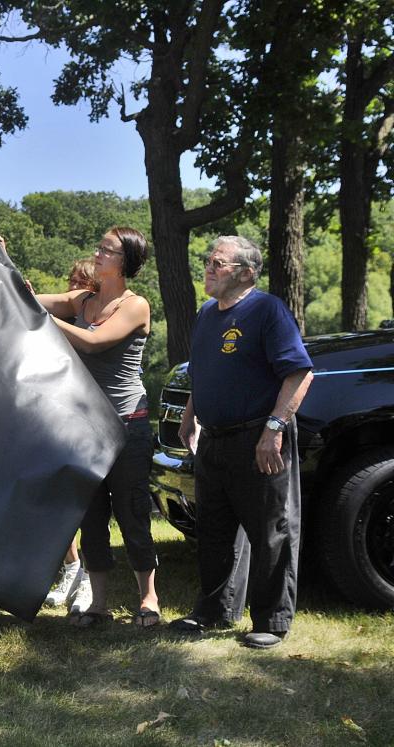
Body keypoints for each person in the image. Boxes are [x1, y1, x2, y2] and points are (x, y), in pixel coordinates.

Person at [172, 236, 312, 649]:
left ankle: (271, 620)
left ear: (246, 273)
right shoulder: (205, 314)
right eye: (207, 261)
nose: (208, 268)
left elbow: (299, 374)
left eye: (217, 262)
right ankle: (213, 611)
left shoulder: (267, 309)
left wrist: (274, 429)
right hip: (214, 441)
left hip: (259, 437)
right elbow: (203, 369)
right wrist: (189, 413)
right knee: (213, 531)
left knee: (271, 531)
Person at [36, 227, 160, 627]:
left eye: (107, 250)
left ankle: (148, 600)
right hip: (87, 429)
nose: (98, 253)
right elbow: (27, 299)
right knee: (91, 518)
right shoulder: (83, 300)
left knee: (132, 514)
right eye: (100, 247)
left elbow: (94, 343)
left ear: (125, 262)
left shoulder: (135, 305)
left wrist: (45, 321)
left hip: (128, 427)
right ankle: (98, 605)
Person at [43, 258, 98, 611]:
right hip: (61, 418)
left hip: (94, 421)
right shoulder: (61, 315)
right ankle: (71, 567)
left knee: (89, 506)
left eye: (80, 281)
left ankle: (89, 579)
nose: (72, 285)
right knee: (58, 499)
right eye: (70, 279)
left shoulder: (97, 319)